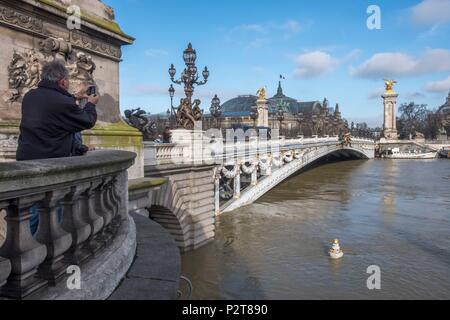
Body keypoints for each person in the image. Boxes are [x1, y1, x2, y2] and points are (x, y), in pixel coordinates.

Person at [16, 59, 99, 161]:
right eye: (68, 80)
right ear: (63, 81)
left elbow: (52, 107)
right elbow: (88, 120)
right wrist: (91, 103)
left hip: (26, 156)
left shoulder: (30, 95)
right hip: (49, 160)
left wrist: (75, 97)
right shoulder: (63, 102)